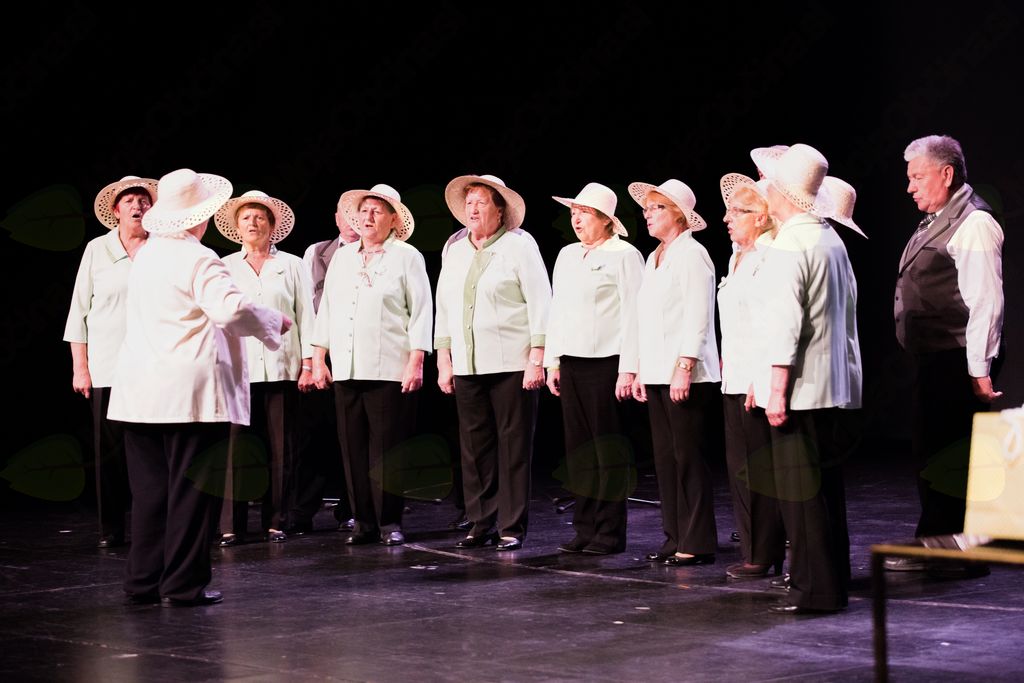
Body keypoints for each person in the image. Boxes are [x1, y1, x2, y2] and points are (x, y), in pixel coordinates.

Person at [108, 168, 290, 607]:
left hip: (140, 391)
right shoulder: (199, 257)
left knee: (150, 494)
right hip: (188, 393)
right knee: (192, 492)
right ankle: (183, 584)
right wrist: (273, 321)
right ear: (201, 216)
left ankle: (143, 581)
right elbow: (229, 310)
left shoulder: (146, 255)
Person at [749, 143, 858, 613]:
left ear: (783, 192)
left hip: (802, 387)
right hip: (830, 384)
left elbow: (786, 324)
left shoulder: (791, 244)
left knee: (802, 492)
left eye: (769, 184)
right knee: (826, 488)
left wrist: (776, 390)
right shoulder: (829, 239)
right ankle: (832, 578)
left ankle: (815, 589)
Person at [890, 135, 1004, 570]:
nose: (910, 187)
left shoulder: (974, 223)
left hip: (957, 358)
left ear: (946, 173)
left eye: (917, 177)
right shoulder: (939, 218)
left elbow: (986, 301)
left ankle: (954, 552)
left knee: (949, 455)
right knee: (934, 452)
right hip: (938, 358)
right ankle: (939, 544)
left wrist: (979, 369)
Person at [311, 184, 432, 546]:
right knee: (352, 449)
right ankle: (363, 522)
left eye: (377, 211)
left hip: (388, 367)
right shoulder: (343, 257)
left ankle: (388, 520)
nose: (368, 217)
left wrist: (416, 361)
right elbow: (327, 309)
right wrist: (318, 358)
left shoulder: (407, 256)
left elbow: (421, 310)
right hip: (347, 366)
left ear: (393, 219)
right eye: (363, 211)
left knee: (387, 449)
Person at [435, 174, 551, 552]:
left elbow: (540, 301)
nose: (472, 208)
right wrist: (444, 360)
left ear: (499, 210)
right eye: (468, 202)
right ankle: (480, 521)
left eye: (481, 202)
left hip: (512, 362)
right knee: (474, 447)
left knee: (513, 447)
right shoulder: (455, 250)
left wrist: (537, 357)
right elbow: (444, 307)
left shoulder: (520, 246)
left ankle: (511, 525)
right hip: (468, 363)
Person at [545, 183, 643, 555]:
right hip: (572, 363)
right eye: (573, 213)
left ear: (605, 220)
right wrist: (553, 361)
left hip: (607, 364)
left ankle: (609, 532)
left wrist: (629, 368)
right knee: (580, 451)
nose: (577, 220)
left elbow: (635, 314)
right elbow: (557, 311)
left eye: (584, 213)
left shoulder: (624, 255)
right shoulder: (567, 255)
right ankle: (584, 528)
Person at [628, 179, 721, 567]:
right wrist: (638, 370)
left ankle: (697, 541)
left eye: (657, 208)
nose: (648, 215)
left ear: (680, 215)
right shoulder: (655, 257)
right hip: (656, 372)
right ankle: (675, 535)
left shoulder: (692, 254)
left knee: (688, 458)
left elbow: (699, 314)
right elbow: (645, 319)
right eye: (647, 209)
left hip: (686, 373)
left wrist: (685, 365)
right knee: (666, 460)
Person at [213, 191, 315, 545]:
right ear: (237, 226)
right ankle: (231, 524)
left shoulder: (293, 264)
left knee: (281, 448)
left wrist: (308, 363)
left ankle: (277, 520)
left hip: (282, 366)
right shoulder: (225, 265)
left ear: (272, 226)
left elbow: (306, 314)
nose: (253, 223)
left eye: (259, 217)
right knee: (234, 450)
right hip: (237, 370)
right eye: (246, 218)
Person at [64, 176, 157, 549]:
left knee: (148, 451)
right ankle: (111, 528)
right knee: (109, 453)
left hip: (152, 367)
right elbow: (78, 312)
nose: (137, 206)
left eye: (143, 200)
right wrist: (81, 367)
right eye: (130, 201)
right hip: (107, 367)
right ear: (116, 210)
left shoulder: (161, 249)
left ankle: (152, 528)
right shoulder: (96, 249)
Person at [715, 173, 785, 579]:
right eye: (728, 211)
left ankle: (763, 553)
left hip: (756, 381)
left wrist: (762, 376)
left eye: (738, 211)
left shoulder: (770, 256)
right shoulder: (737, 256)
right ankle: (756, 548)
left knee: (758, 469)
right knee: (740, 468)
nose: (728, 218)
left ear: (761, 217)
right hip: (735, 376)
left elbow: (772, 323)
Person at [287, 196, 361, 534]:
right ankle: (302, 511)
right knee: (313, 436)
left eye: (357, 214)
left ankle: (352, 508)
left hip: (356, 351)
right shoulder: (317, 252)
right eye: (346, 214)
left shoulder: (375, 254)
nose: (352, 220)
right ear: (336, 218)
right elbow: (306, 305)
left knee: (353, 436)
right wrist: (312, 358)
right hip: (322, 352)